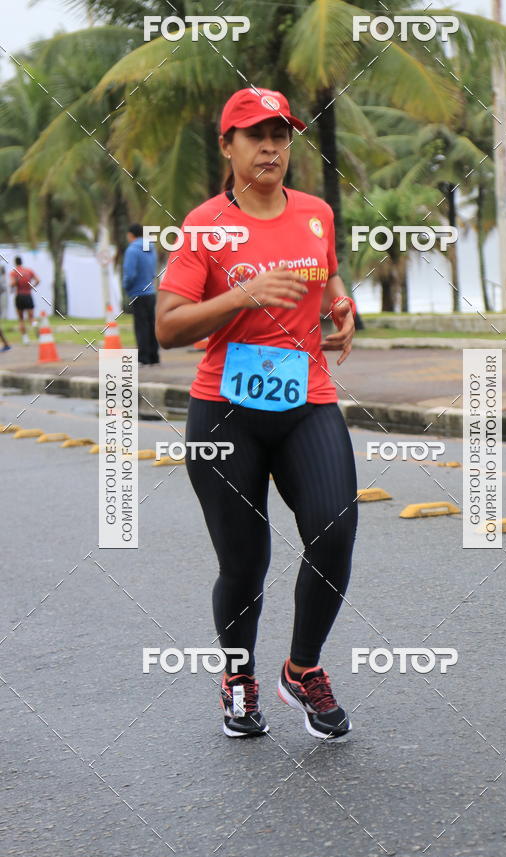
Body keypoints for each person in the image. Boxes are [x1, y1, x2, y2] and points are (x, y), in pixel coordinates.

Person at [157, 87, 358, 740]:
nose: (271, 147)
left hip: (308, 401)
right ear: (228, 146)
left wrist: (341, 305)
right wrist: (242, 294)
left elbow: (328, 276)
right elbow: (167, 327)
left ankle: (302, 669)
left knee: (334, 530)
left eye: (281, 134)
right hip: (225, 413)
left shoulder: (316, 214)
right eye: (255, 135)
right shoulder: (204, 225)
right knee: (245, 563)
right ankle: (238, 676)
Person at [122, 223, 159, 366]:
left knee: (141, 326)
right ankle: (154, 357)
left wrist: (126, 287)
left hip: (138, 292)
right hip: (151, 292)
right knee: (151, 325)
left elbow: (130, 273)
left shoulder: (132, 250)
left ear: (131, 235)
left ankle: (143, 358)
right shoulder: (151, 248)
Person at [10, 256, 39, 344]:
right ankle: (36, 329)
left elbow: (13, 283)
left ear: (15, 262)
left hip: (19, 295)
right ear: (22, 262)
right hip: (28, 295)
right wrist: (32, 287)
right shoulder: (29, 271)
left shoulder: (14, 272)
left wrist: (13, 285)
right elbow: (38, 280)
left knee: (21, 319)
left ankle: (25, 339)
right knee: (31, 317)